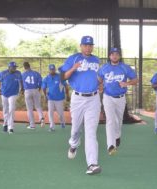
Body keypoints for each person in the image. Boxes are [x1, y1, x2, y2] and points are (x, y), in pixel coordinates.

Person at [60, 36, 102, 175]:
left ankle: (92, 164)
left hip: (94, 98)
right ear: (80, 46)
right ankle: (73, 145)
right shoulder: (73, 58)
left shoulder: (96, 60)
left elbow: (99, 77)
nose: (88, 47)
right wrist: (74, 68)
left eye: (90, 45)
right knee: (76, 128)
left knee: (91, 132)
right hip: (78, 98)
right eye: (85, 45)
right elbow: (63, 76)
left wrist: (101, 84)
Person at [98, 47, 138, 155]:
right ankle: (111, 145)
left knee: (118, 120)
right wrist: (100, 86)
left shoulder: (125, 67)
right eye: (112, 54)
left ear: (119, 56)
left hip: (121, 97)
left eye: (116, 54)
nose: (114, 56)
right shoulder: (104, 68)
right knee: (110, 120)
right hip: (108, 97)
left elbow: (135, 79)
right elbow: (99, 80)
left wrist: (127, 84)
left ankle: (117, 135)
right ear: (109, 56)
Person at [42, 64, 69, 132]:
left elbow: (66, 86)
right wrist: (45, 96)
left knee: (60, 113)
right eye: (51, 69)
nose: (52, 71)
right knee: (50, 112)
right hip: (50, 98)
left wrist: (67, 95)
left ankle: (62, 122)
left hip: (59, 98)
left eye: (53, 69)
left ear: (55, 69)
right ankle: (52, 126)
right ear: (49, 70)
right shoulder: (46, 78)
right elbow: (44, 88)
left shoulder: (60, 77)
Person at [0, 61, 23, 134]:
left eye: (15, 67)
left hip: (13, 93)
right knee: (5, 110)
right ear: (9, 67)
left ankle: (11, 127)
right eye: (13, 67)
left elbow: (21, 82)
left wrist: (22, 89)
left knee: (11, 109)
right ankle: (5, 124)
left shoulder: (18, 73)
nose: (14, 69)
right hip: (4, 93)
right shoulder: (3, 73)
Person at [21, 62, 44, 129]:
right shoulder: (36, 73)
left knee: (29, 109)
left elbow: (22, 83)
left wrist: (22, 90)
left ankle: (32, 125)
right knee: (38, 106)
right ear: (29, 66)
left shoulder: (23, 74)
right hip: (35, 90)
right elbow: (40, 81)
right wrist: (39, 87)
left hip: (27, 91)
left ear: (24, 67)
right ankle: (41, 118)